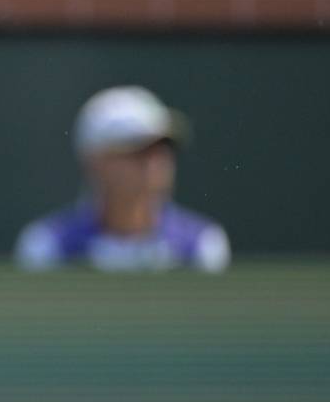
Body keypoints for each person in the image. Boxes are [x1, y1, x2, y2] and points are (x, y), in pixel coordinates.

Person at [15, 86, 231, 273]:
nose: (153, 163)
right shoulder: (47, 246)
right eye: (136, 150)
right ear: (94, 161)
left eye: (161, 149)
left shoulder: (202, 244)